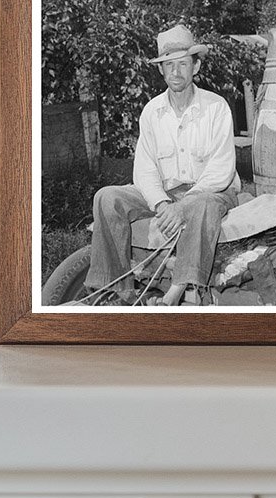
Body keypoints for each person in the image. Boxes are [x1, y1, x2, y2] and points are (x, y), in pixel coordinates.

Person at [84, 24, 241, 306]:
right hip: (166, 194)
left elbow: (221, 169)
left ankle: (177, 290)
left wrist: (182, 206)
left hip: (210, 191)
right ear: (161, 70)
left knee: (203, 204)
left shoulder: (216, 107)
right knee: (107, 197)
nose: (176, 72)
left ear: (196, 66)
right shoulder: (152, 111)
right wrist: (161, 204)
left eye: (183, 64)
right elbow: (144, 169)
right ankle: (117, 290)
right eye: (169, 65)